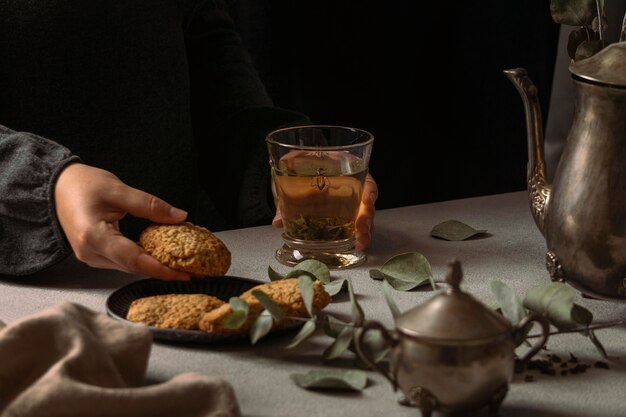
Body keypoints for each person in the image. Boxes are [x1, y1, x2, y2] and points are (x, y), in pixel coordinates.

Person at [0, 0, 377, 280]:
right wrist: (42, 185)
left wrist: (277, 168)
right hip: (31, 298)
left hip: (182, 283)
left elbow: (205, 48)